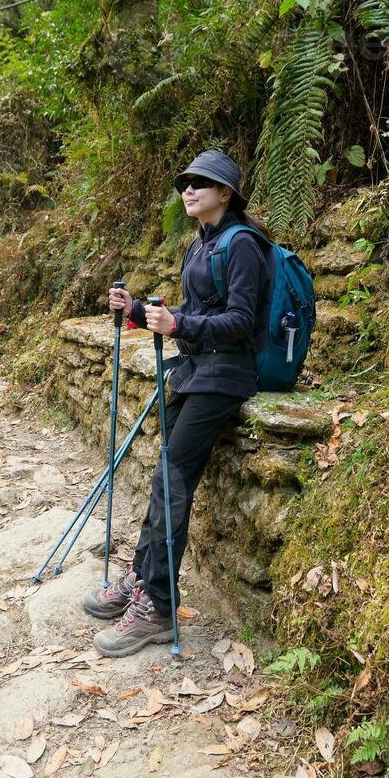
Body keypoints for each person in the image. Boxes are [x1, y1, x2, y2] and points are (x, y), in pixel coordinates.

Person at [83, 150, 270, 658]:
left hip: (227, 376)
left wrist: (180, 325)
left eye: (200, 183)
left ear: (226, 193)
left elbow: (240, 321)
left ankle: (159, 606)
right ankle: (144, 578)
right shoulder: (201, 245)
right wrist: (140, 311)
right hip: (196, 373)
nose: (188, 190)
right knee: (166, 475)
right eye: (184, 182)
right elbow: (192, 313)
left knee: (172, 479)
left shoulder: (245, 246)